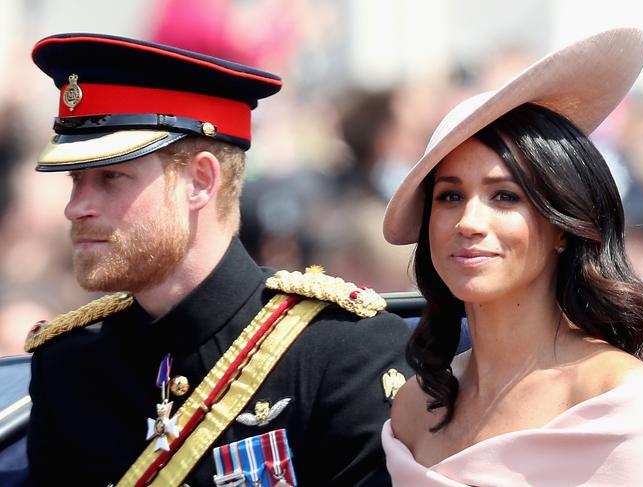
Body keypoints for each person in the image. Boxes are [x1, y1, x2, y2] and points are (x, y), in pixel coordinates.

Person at [25, 33, 412, 487]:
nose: (76, 208)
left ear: (200, 182)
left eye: (111, 177)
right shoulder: (68, 366)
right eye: (76, 181)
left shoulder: (342, 352)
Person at [381, 27, 643, 486]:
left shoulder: (618, 397)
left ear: (562, 227)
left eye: (504, 197)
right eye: (449, 197)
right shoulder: (412, 408)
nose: (469, 221)